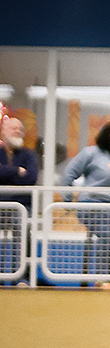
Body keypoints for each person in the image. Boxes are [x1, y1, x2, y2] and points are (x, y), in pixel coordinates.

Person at [63, 121, 110, 276]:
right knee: (105, 234)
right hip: (91, 205)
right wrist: (67, 198)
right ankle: (101, 278)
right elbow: (70, 173)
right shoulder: (90, 153)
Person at [0, 113, 38, 277]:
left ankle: (23, 277)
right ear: (3, 131)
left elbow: (31, 178)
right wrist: (16, 171)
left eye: (20, 129)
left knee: (24, 228)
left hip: (21, 207)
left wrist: (5, 174)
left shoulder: (29, 155)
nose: (18, 131)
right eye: (13, 128)